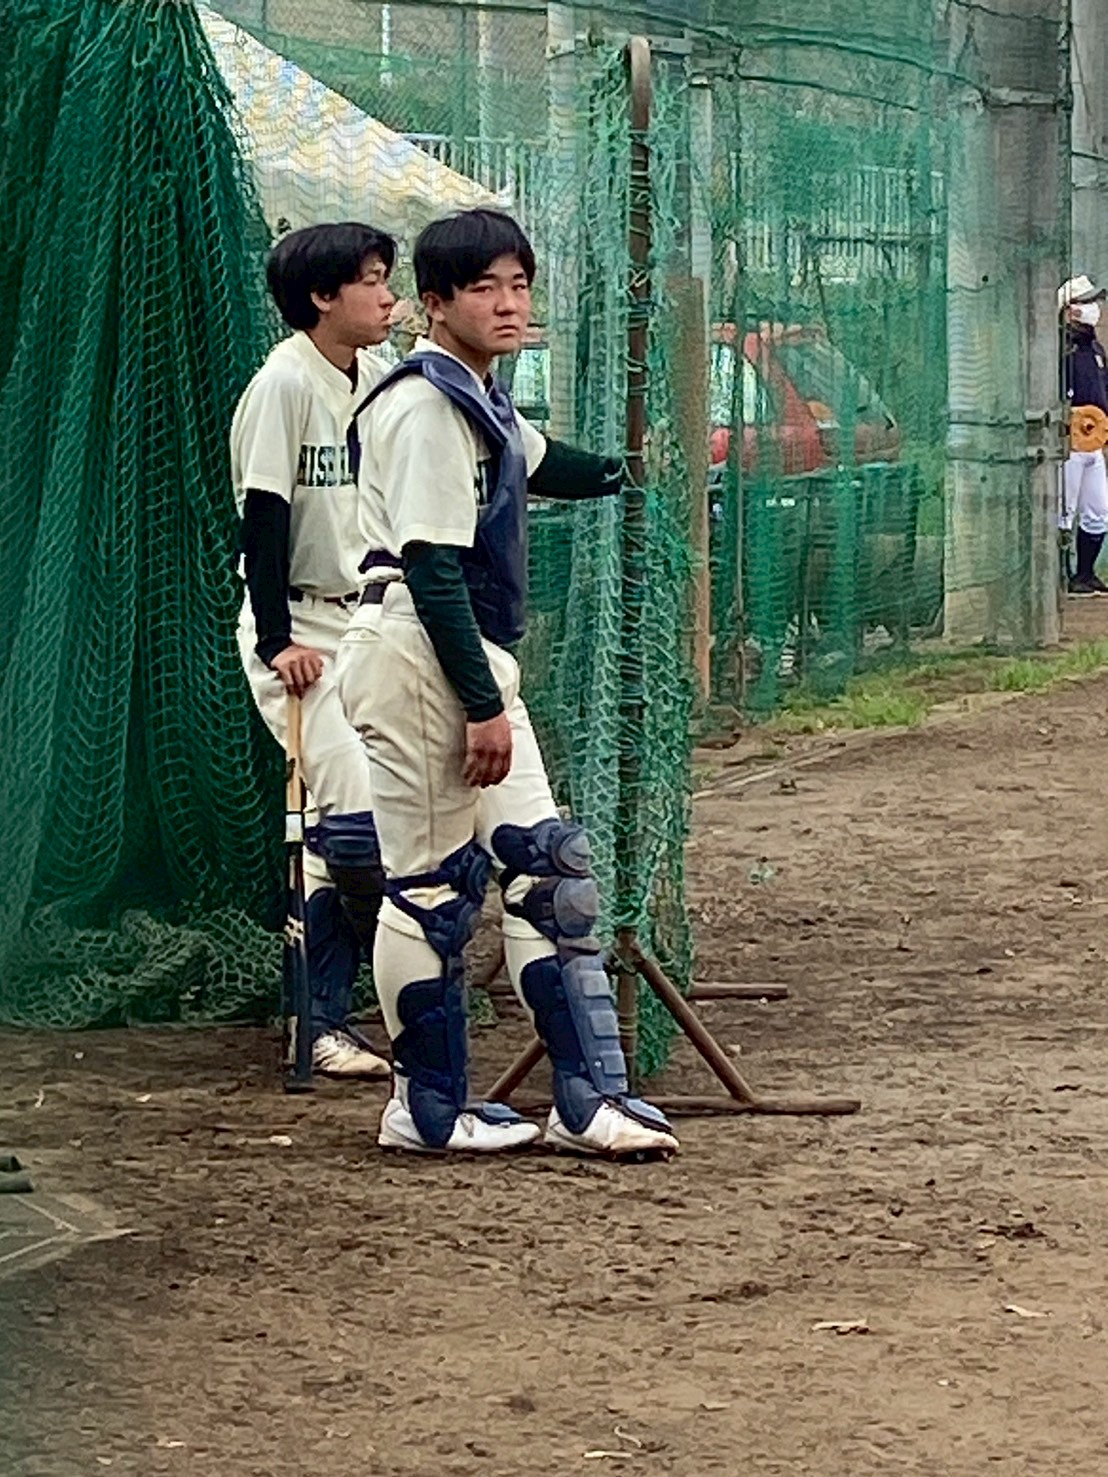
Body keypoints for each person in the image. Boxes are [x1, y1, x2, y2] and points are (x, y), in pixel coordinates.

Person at [334, 208, 678, 1158]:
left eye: (518, 284)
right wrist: (483, 705)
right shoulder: (423, 405)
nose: (508, 303)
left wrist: (631, 467)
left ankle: (588, 1102)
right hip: (417, 650)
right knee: (433, 888)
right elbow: (432, 565)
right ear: (434, 304)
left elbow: (542, 462)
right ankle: (426, 1110)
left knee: (550, 872)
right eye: (483, 287)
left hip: (461, 654)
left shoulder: (476, 393)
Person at [231, 222, 396, 1079]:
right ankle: (324, 1017)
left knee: (374, 824)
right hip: (300, 625)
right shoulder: (283, 382)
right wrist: (276, 640)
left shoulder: (380, 374)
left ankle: (335, 1012)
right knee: (356, 821)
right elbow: (263, 519)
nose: (387, 295)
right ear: (322, 297)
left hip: (370, 620)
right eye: (369, 280)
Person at [1058, 274, 1108, 595]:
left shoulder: (1095, 348)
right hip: (1069, 443)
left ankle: (1085, 574)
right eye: (1086, 302)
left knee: (1098, 512)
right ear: (1070, 309)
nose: (1093, 308)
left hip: (1094, 441)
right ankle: (1059, 576)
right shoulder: (1061, 349)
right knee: (1064, 511)